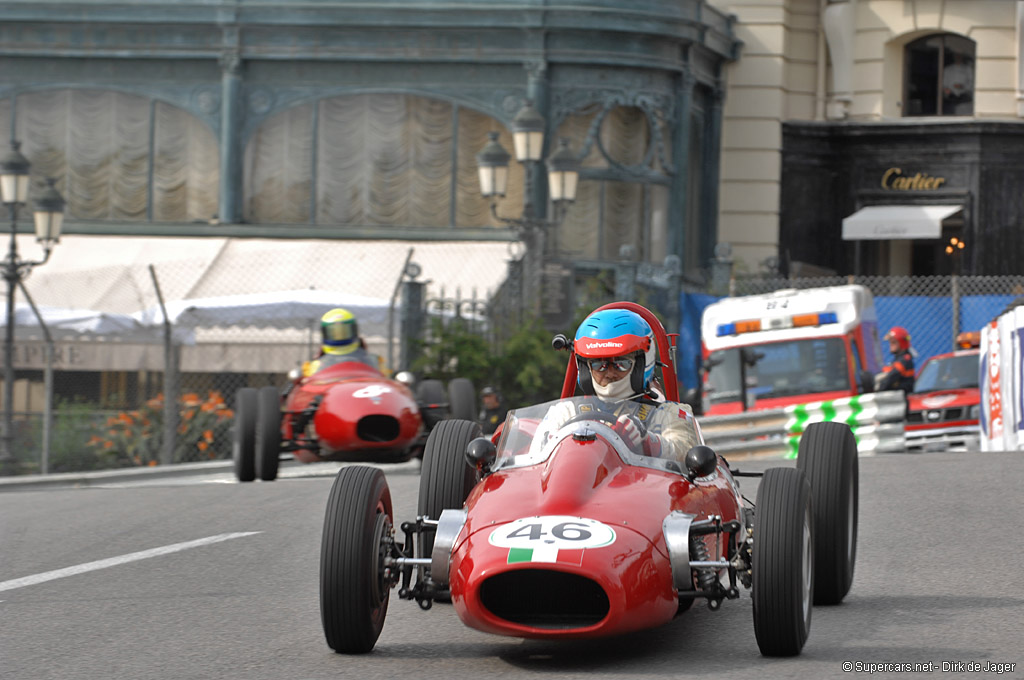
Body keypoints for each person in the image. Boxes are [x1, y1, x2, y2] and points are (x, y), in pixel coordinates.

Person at [539, 309, 700, 462]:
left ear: (641, 365)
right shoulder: (565, 413)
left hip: (644, 489)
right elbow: (535, 460)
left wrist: (648, 441)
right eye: (598, 365)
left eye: (621, 364)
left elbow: (686, 453)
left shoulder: (668, 414)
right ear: (584, 369)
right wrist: (557, 443)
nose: (609, 373)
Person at [302, 308, 381, 376]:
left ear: (354, 330)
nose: (339, 335)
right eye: (334, 332)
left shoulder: (372, 361)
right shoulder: (316, 365)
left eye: (344, 331)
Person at [877, 326, 916, 394]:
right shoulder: (897, 360)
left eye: (893, 342)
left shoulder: (904, 360)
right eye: (890, 342)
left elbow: (892, 377)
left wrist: (879, 388)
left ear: (902, 343)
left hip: (903, 398)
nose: (890, 345)